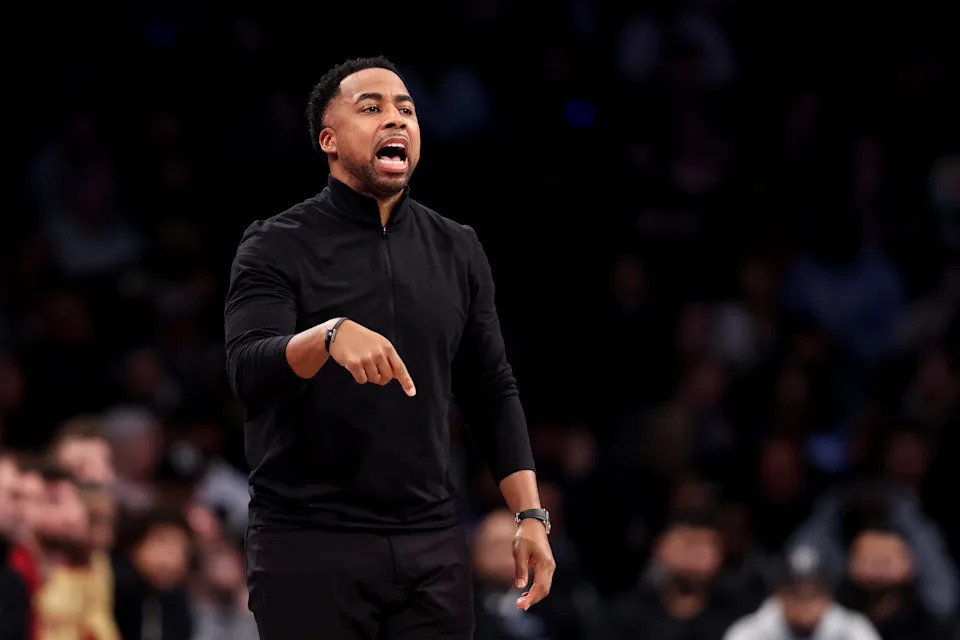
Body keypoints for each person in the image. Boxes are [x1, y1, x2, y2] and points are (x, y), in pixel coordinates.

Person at [223, 55, 555, 640]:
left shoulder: (457, 247)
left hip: (430, 539)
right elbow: (249, 371)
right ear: (328, 140)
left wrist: (529, 514)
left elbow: (489, 388)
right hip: (308, 539)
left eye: (406, 109)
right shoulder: (274, 244)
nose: (395, 120)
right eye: (371, 108)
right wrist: (325, 337)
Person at [723, 545, 880, 640]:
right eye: (795, 595)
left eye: (813, 595)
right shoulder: (751, 631)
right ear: (778, 595)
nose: (804, 604)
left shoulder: (851, 628)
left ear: (828, 597)